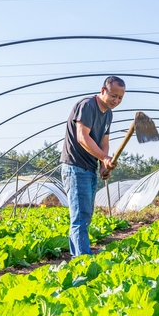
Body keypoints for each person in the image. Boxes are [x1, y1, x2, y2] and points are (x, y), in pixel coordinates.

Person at [60, 76, 124, 255]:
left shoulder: (108, 114)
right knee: (80, 217)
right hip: (75, 167)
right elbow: (82, 137)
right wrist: (104, 157)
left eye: (120, 98)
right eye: (113, 95)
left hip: (89, 169)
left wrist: (103, 165)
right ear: (103, 90)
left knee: (85, 216)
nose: (116, 100)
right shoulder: (87, 105)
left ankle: (81, 257)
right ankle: (82, 261)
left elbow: (104, 141)